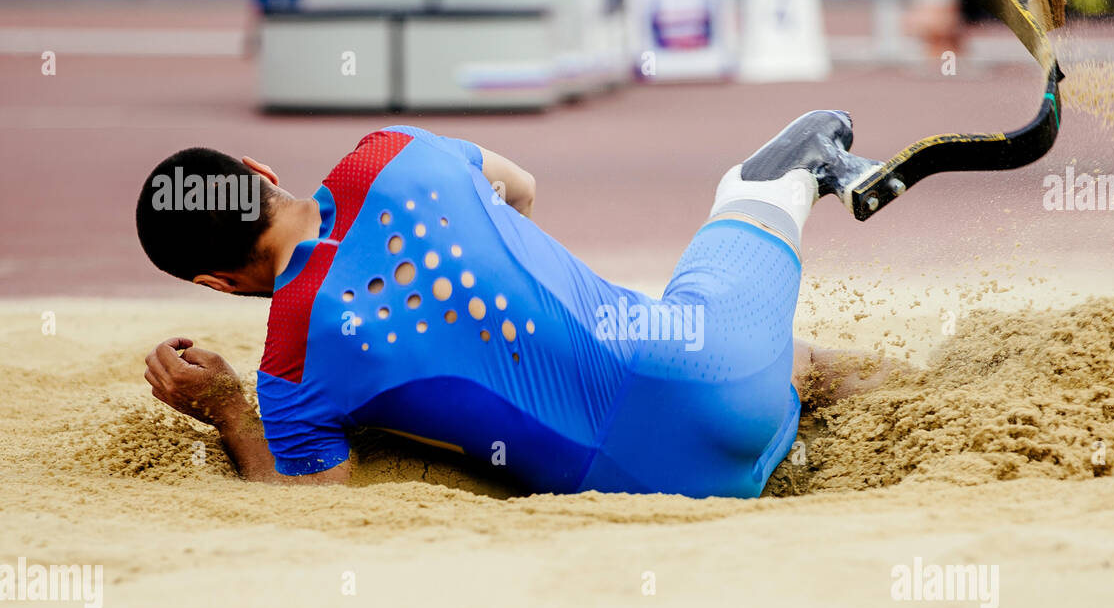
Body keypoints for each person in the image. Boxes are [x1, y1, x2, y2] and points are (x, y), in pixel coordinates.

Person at [135, 112, 883, 498]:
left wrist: (230, 407)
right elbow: (519, 186)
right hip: (720, 361)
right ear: (260, 172)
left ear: (217, 285)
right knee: (773, 315)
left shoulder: (291, 367)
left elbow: (308, 506)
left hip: (673, 484)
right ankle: (795, 176)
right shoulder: (388, 152)